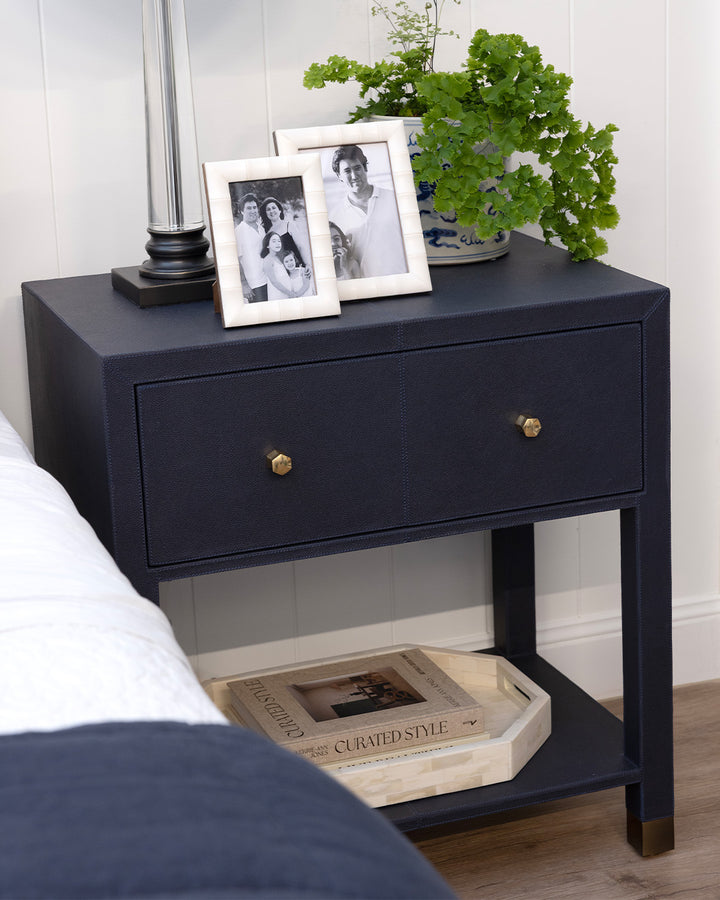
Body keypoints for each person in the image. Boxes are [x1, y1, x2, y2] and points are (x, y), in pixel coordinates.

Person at [328, 145, 408, 279]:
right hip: (369, 289)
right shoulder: (336, 216)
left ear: (365, 167)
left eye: (357, 168)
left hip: (405, 281)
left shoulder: (395, 199)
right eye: (347, 171)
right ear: (339, 176)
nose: (354, 175)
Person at [259, 196, 309, 270]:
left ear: (279, 210)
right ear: (266, 214)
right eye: (268, 210)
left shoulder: (289, 225)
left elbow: (300, 246)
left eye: (274, 208)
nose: (271, 211)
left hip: (298, 267)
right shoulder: (267, 233)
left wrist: (307, 264)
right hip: (282, 272)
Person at [234, 193, 267, 303]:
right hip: (254, 284)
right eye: (248, 208)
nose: (253, 211)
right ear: (242, 211)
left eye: (254, 207)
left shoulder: (261, 228)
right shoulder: (239, 232)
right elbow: (236, 260)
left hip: (268, 279)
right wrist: (244, 284)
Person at [260, 232, 312, 300]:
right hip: (278, 295)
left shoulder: (277, 257)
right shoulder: (267, 260)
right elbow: (274, 282)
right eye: (274, 241)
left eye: (279, 241)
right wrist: (290, 293)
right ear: (267, 245)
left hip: (287, 294)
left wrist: (307, 267)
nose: (277, 243)